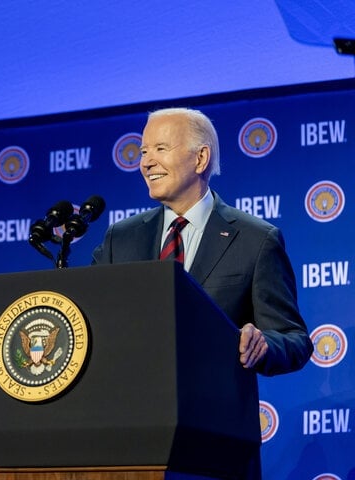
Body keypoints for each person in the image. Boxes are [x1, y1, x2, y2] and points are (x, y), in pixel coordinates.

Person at [92, 107, 312, 478]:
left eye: (159, 149)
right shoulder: (121, 239)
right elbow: (92, 316)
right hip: (128, 440)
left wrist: (263, 345)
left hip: (214, 446)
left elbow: (294, 339)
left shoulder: (255, 240)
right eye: (143, 152)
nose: (146, 162)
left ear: (200, 157)